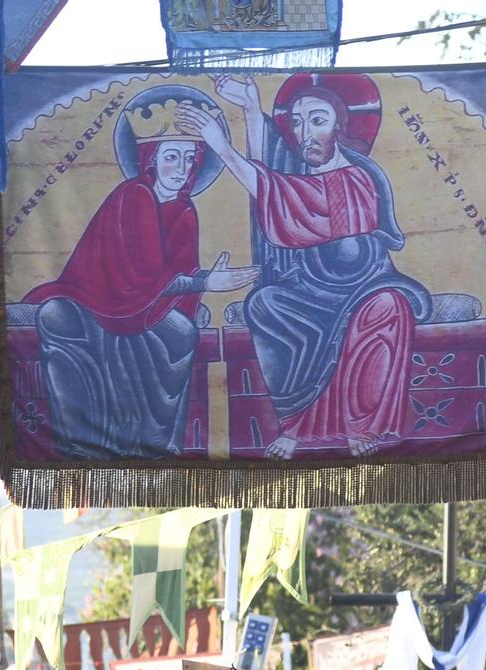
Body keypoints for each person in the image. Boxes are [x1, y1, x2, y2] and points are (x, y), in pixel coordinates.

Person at [181, 72, 432, 460]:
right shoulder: (301, 169)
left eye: (317, 120)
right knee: (263, 303)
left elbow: (277, 190)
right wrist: (251, 106)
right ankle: (296, 426)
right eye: (296, 122)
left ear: (341, 126)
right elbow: (270, 167)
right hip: (312, 292)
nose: (304, 133)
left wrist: (223, 147)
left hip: (364, 289)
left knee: (386, 309)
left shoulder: (356, 177)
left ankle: (360, 425)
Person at [21, 84, 257, 460]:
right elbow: (138, 275)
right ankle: (81, 441)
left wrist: (201, 283)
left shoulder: (184, 211)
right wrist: (206, 281)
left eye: (190, 158)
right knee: (55, 318)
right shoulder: (134, 195)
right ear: (149, 158)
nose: (182, 169)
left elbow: (174, 281)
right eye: (171, 157)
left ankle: (153, 443)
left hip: (147, 308)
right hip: (93, 301)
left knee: (182, 333)